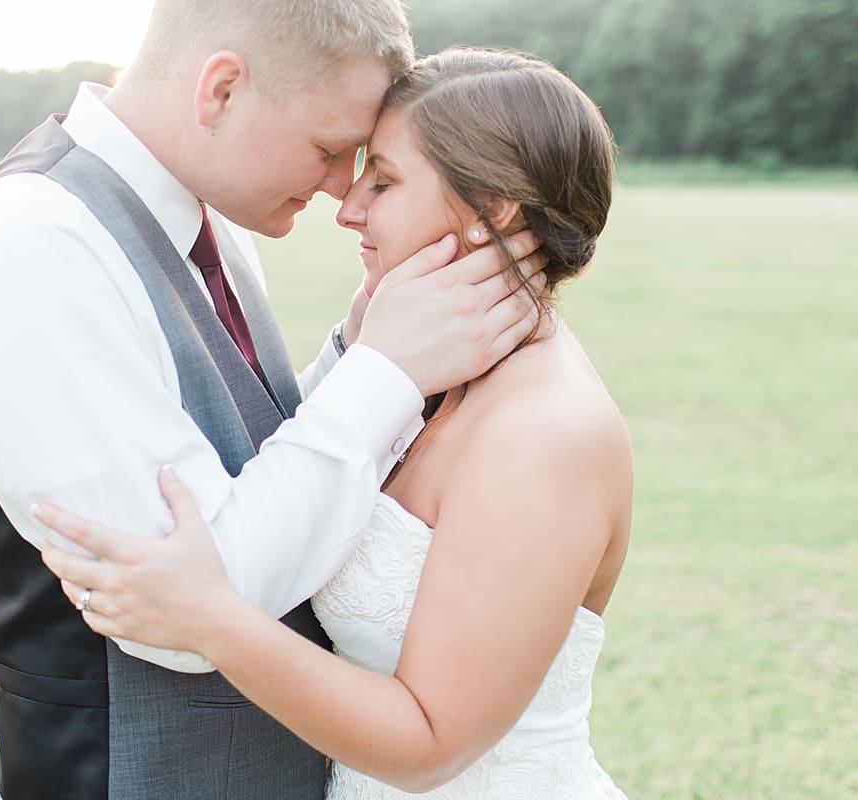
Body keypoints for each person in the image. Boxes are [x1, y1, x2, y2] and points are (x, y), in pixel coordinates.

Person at [0, 1, 548, 798]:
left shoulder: (209, 218)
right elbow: (200, 606)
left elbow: (247, 468)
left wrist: (357, 350)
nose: (341, 188)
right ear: (222, 90)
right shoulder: (34, 253)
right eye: (329, 148)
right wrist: (385, 374)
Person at [35, 48, 630, 800]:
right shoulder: (435, 371)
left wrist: (208, 616)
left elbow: (428, 743)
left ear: (495, 209)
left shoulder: (544, 437)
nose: (348, 206)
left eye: (382, 179)